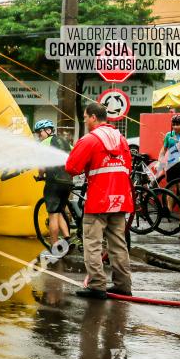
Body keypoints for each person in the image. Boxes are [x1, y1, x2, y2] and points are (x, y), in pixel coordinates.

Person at [65, 102, 134, 299]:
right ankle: (123, 285)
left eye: (86, 117)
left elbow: (72, 168)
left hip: (98, 201)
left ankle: (96, 285)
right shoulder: (121, 140)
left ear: (94, 117)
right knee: (118, 244)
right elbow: (127, 167)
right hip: (120, 200)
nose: (85, 121)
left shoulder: (90, 140)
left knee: (93, 244)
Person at [33, 119, 73, 246]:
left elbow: (42, 166)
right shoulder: (65, 142)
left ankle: (54, 247)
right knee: (59, 210)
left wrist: (40, 176)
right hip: (67, 182)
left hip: (53, 183)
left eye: (40, 132)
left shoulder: (45, 143)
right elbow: (74, 157)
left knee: (52, 216)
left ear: (48, 130)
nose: (39, 136)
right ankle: (67, 238)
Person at [158, 114, 180, 199]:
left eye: (178, 124)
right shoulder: (168, 135)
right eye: (174, 124)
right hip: (170, 164)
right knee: (170, 189)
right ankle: (169, 210)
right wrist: (160, 162)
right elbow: (163, 150)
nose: (175, 127)